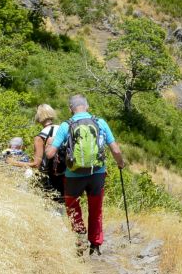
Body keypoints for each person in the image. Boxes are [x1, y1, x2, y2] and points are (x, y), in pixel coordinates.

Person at [45, 95, 124, 256]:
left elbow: (51, 153)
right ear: (87, 106)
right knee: (96, 209)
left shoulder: (66, 126)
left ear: (70, 109)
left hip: (73, 175)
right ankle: (95, 244)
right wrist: (121, 163)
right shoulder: (100, 123)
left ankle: (80, 238)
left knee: (73, 206)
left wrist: (48, 145)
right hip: (97, 173)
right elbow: (115, 150)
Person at [7, 104, 65, 202]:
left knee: (51, 209)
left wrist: (14, 162)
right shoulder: (62, 129)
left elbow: (36, 164)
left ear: (38, 117)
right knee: (62, 207)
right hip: (65, 175)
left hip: (49, 178)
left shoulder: (40, 137)